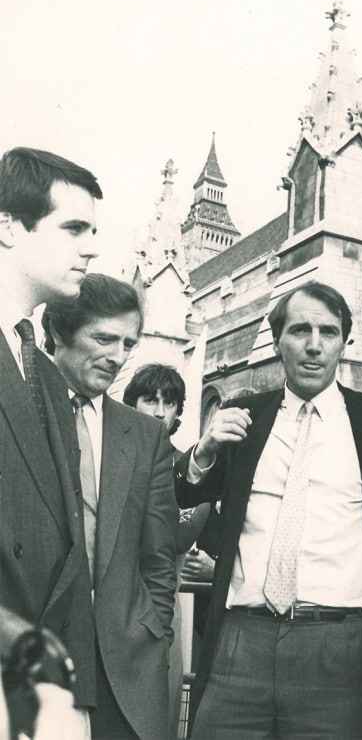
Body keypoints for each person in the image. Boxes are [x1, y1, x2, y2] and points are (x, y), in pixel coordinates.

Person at [174, 281, 362, 739]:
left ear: (344, 342)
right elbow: (180, 495)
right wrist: (203, 450)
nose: (313, 345)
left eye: (328, 332)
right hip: (239, 643)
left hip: (337, 648)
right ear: (277, 339)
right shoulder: (244, 416)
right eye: (300, 330)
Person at [42, 274, 178, 739]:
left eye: (128, 343)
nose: (117, 356)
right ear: (59, 332)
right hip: (36, 657)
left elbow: (159, 555)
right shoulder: (21, 413)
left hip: (125, 665)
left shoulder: (145, 435)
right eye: (104, 338)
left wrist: (153, 632)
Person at [0, 146, 102, 733]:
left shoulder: (42, 371)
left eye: (93, 231)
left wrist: (73, 703)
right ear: (10, 228)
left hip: (43, 696)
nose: (90, 247)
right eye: (73, 228)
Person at [122, 362, 215, 738]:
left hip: (163, 604)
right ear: (133, 403)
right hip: (105, 601)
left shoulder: (190, 468)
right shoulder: (107, 456)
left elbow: (176, 538)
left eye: (169, 402)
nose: (160, 411)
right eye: (150, 400)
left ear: (179, 410)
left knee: (161, 711)